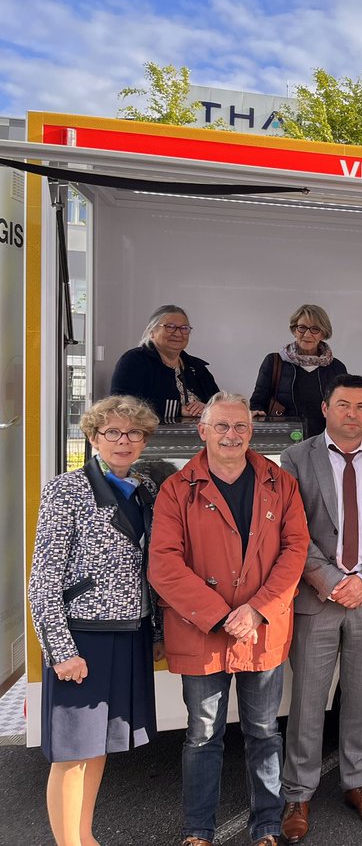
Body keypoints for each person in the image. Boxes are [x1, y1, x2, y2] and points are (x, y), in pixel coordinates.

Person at [149, 393, 309, 846]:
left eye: (240, 426)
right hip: (202, 631)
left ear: (251, 431)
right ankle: (198, 829)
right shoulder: (176, 489)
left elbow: (296, 550)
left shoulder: (281, 483)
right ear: (202, 431)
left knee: (264, 732)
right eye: (221, 426)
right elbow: (164, 564)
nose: (231, 435)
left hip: (261, 627)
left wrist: (258, 608)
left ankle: (267, 825)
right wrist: (221, 616)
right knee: (202, 736)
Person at [278, 375, 362, 842]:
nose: (353, 414)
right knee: (307, 702)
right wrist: (334, 583)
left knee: (361, 698)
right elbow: (293, 530)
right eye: (343, 405)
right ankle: (298, 793)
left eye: (361, 406)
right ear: (326, 408)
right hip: (318, 598)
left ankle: (358, 783)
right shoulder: (297, 457)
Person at [28, 395, 161, 846]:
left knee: (98, 746)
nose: (124, 441)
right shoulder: (66, 489)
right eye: (112, 432)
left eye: (134, 433)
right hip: (82, 639)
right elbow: (43, 581)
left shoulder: (144, 487)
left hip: (130, 633)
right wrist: (61, 651)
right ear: (93, 437)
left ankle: (85, 837)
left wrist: (156, 630)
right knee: (71, 754)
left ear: (144, 440)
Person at [249, 304, 348, 438]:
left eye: (315, 329)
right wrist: (256, 411)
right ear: (294, 330)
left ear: (323, 333)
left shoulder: (336, 367)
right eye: (302, 327)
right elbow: (258, 400)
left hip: (323, 440)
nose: (307, 334)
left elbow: (344, 405)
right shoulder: (274, 362)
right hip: (284, 439)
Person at [110, 305, 219, 421]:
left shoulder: (196, 367)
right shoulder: (134, 360)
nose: (178, 334)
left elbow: (219, 402)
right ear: (152, 331)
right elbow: (121, 402)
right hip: (150, 431)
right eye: (170, 327)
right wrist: (178, 409)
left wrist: (207, 407)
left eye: (184, 328)